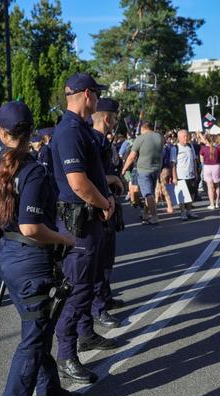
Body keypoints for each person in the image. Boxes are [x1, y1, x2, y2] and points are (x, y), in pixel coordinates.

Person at [0, 101, 81, 396]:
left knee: (39, 327)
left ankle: (49, 388)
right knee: (34, 336)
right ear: (29, 133)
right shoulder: (33, 170)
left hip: (8, 255)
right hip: (31, 257)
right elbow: (31, 227)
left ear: (1, 132)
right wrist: (63, 237)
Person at [50, 73, 116, 384]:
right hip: (79, 220)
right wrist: (104, 203)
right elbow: (77, 183)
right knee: (76, 289)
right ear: (87, 94)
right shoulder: (69, 130)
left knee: (87, 284)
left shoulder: (81, 129)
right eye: (96, 94)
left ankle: (86, 334)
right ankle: (66, 355)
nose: (97, 100)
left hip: (90, 220)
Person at [90, 97, 126, 328]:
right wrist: (112, 178)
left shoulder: (103, 140)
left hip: (109, 206)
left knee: (107, 259)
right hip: (97, 210)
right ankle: (98, 308)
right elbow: (87, 178)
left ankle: (106, 297)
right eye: (113, 116)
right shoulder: (93, 141)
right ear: (106, 117)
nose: (115, 121)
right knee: (99, 262)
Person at [121, 121, 163, 225]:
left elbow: (132, 156)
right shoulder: (159, 137)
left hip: (144, 169)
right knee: (150, 194)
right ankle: (145, 215)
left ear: (143, 128)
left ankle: (154, 217)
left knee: (148, 194)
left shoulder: (140, 138)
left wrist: (124, 169)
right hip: (156, 168)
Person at [171, 129, 200, 220]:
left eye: (187, 136)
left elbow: (194, 160)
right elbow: (173, 164)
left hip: (191, 175)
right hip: (180, 176)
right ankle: (182, 212)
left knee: (191, 194)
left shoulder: (190, 146)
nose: (186, 138)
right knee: (182, 196)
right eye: (184, 136)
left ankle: (189, 211)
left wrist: (196, 172)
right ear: (179, 138)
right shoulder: (175, 148)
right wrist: (174, 177)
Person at [199, 133, 220, 209]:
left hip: (207, 167)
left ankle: (212, 204)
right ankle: (217, 203)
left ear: (206, 140)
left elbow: (201, 160)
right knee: (217, 187)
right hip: (216, 167)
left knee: (210, 187)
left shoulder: (203, 149)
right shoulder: (218, 149)